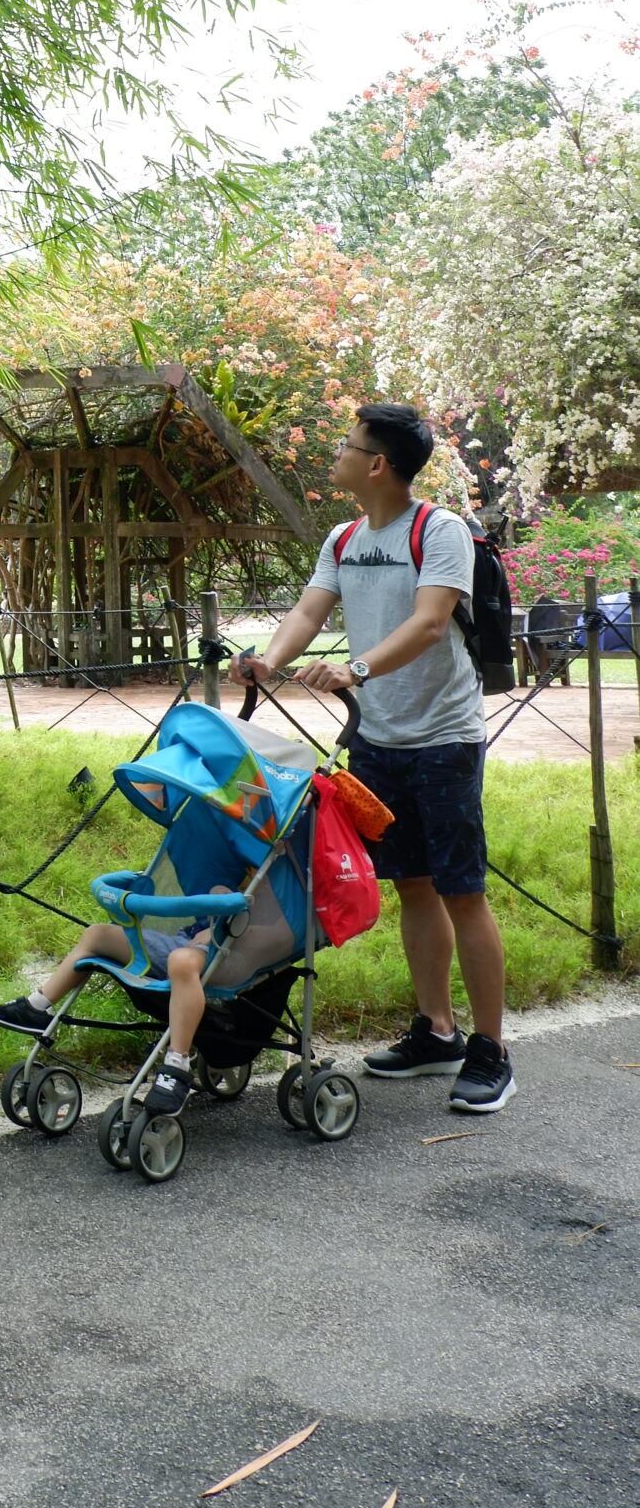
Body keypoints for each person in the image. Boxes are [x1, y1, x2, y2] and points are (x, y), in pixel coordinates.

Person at [230, 401, 514, 1115]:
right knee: (412, 886)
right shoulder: (344, 537)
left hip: (443, 738)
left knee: (462, 890)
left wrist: (355, 669)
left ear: (378, 464)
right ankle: (437, 1031)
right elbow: (309, 611)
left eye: (348, 445)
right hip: (376, 742)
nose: (339, 454)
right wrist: (269, 661)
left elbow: (429, 622)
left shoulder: (438, 530)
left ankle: (490, 1050)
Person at [0, 893, 234, 1117]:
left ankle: (177, 1063)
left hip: (227, 948)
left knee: (181, 961)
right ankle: (37, 1007)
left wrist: (220, 928)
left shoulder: (252, 864)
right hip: (187, 938)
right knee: (97, 934)